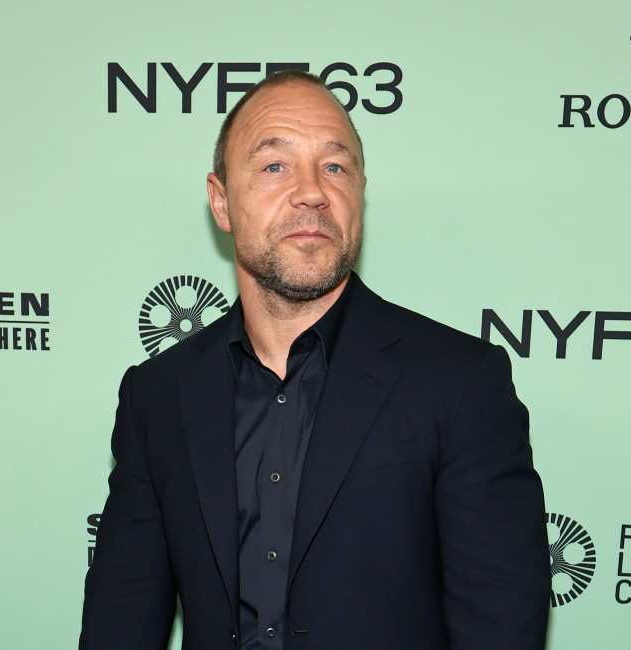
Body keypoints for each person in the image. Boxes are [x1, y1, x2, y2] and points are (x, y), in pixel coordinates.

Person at [80, 70, 550, 650]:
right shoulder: (158, 394)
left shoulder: (461, 383)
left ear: (360, 194)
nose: (312, 191)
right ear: (221, 202)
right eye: (275, 166)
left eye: (335, 167)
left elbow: (501, 622)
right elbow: (121, 616)